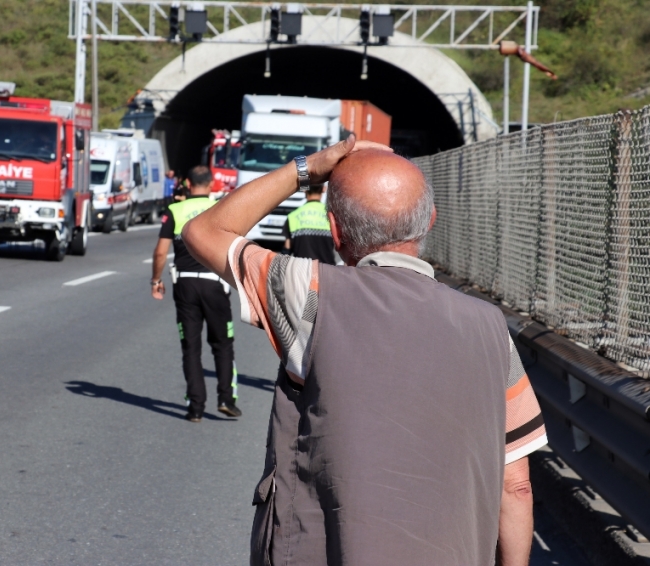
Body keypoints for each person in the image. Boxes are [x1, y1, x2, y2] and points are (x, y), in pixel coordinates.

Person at [182, 137, 547, 565]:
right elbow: (515, 485)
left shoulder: (309, 294)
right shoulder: (490, 328)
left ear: (335, 232)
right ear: (429, 220)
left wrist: (307, 169)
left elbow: (203, 231)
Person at [150, 165, 241, 423]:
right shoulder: (220, 208)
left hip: (185, 285)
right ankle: (226, 399)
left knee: (191, 347)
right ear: (211, 184)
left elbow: (160, 252)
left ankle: (196, 407)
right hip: (215, 284)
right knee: (222, 344)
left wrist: (156, 280)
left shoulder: (175, 210)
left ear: (188, 183)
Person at [282, 184, 335, 264]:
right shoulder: (331, 216)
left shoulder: (292, 217)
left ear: (304, 189)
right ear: (324, 189)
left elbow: (286, 250)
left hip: (300, 271)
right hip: (327, 271)